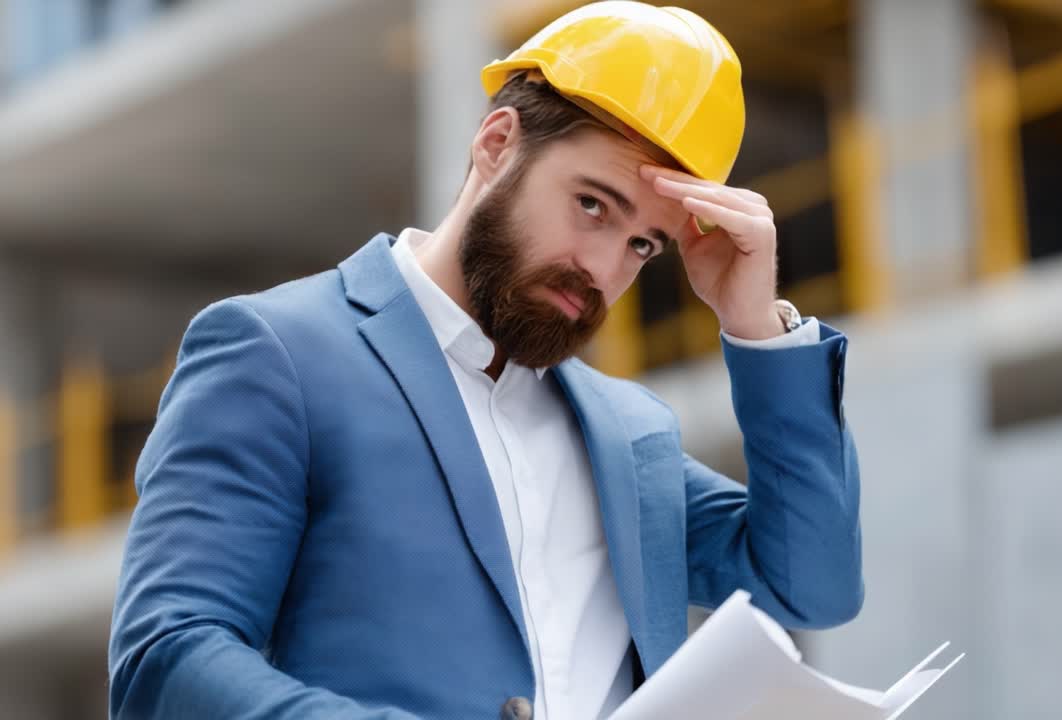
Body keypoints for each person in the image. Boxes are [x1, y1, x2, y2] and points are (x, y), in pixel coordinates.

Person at [107, 3, 863, 718]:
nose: (603, 268)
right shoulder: (280, 354)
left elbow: (814, 586)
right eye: (593, 205)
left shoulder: (632, 435)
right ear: (497, 144)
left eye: (642, 244)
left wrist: (758, 329)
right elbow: (167, 655)